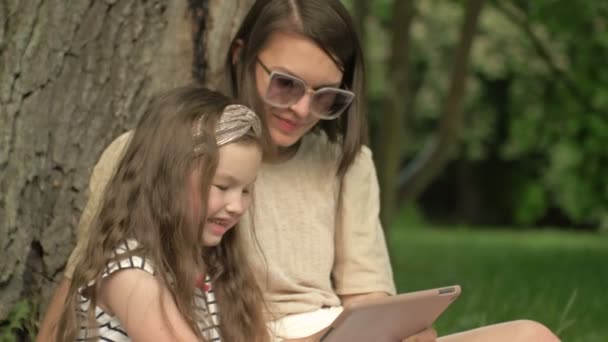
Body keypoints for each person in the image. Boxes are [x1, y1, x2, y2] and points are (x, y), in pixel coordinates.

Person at [39, 1, 561, 341]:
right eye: (286, 84)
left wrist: (406, 329)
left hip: (336, 333)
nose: (302, 110)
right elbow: (83, 280)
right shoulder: (150, 153)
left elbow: (367, 299)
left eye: (327, 96)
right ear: (243, 56)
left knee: (529, 336)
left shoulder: (343, 163)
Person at [53, 86, 270, 341]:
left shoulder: (214, 264)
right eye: (222, 186)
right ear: (167, 179)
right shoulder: (130, 274)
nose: (237, 205)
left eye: (246, 190)